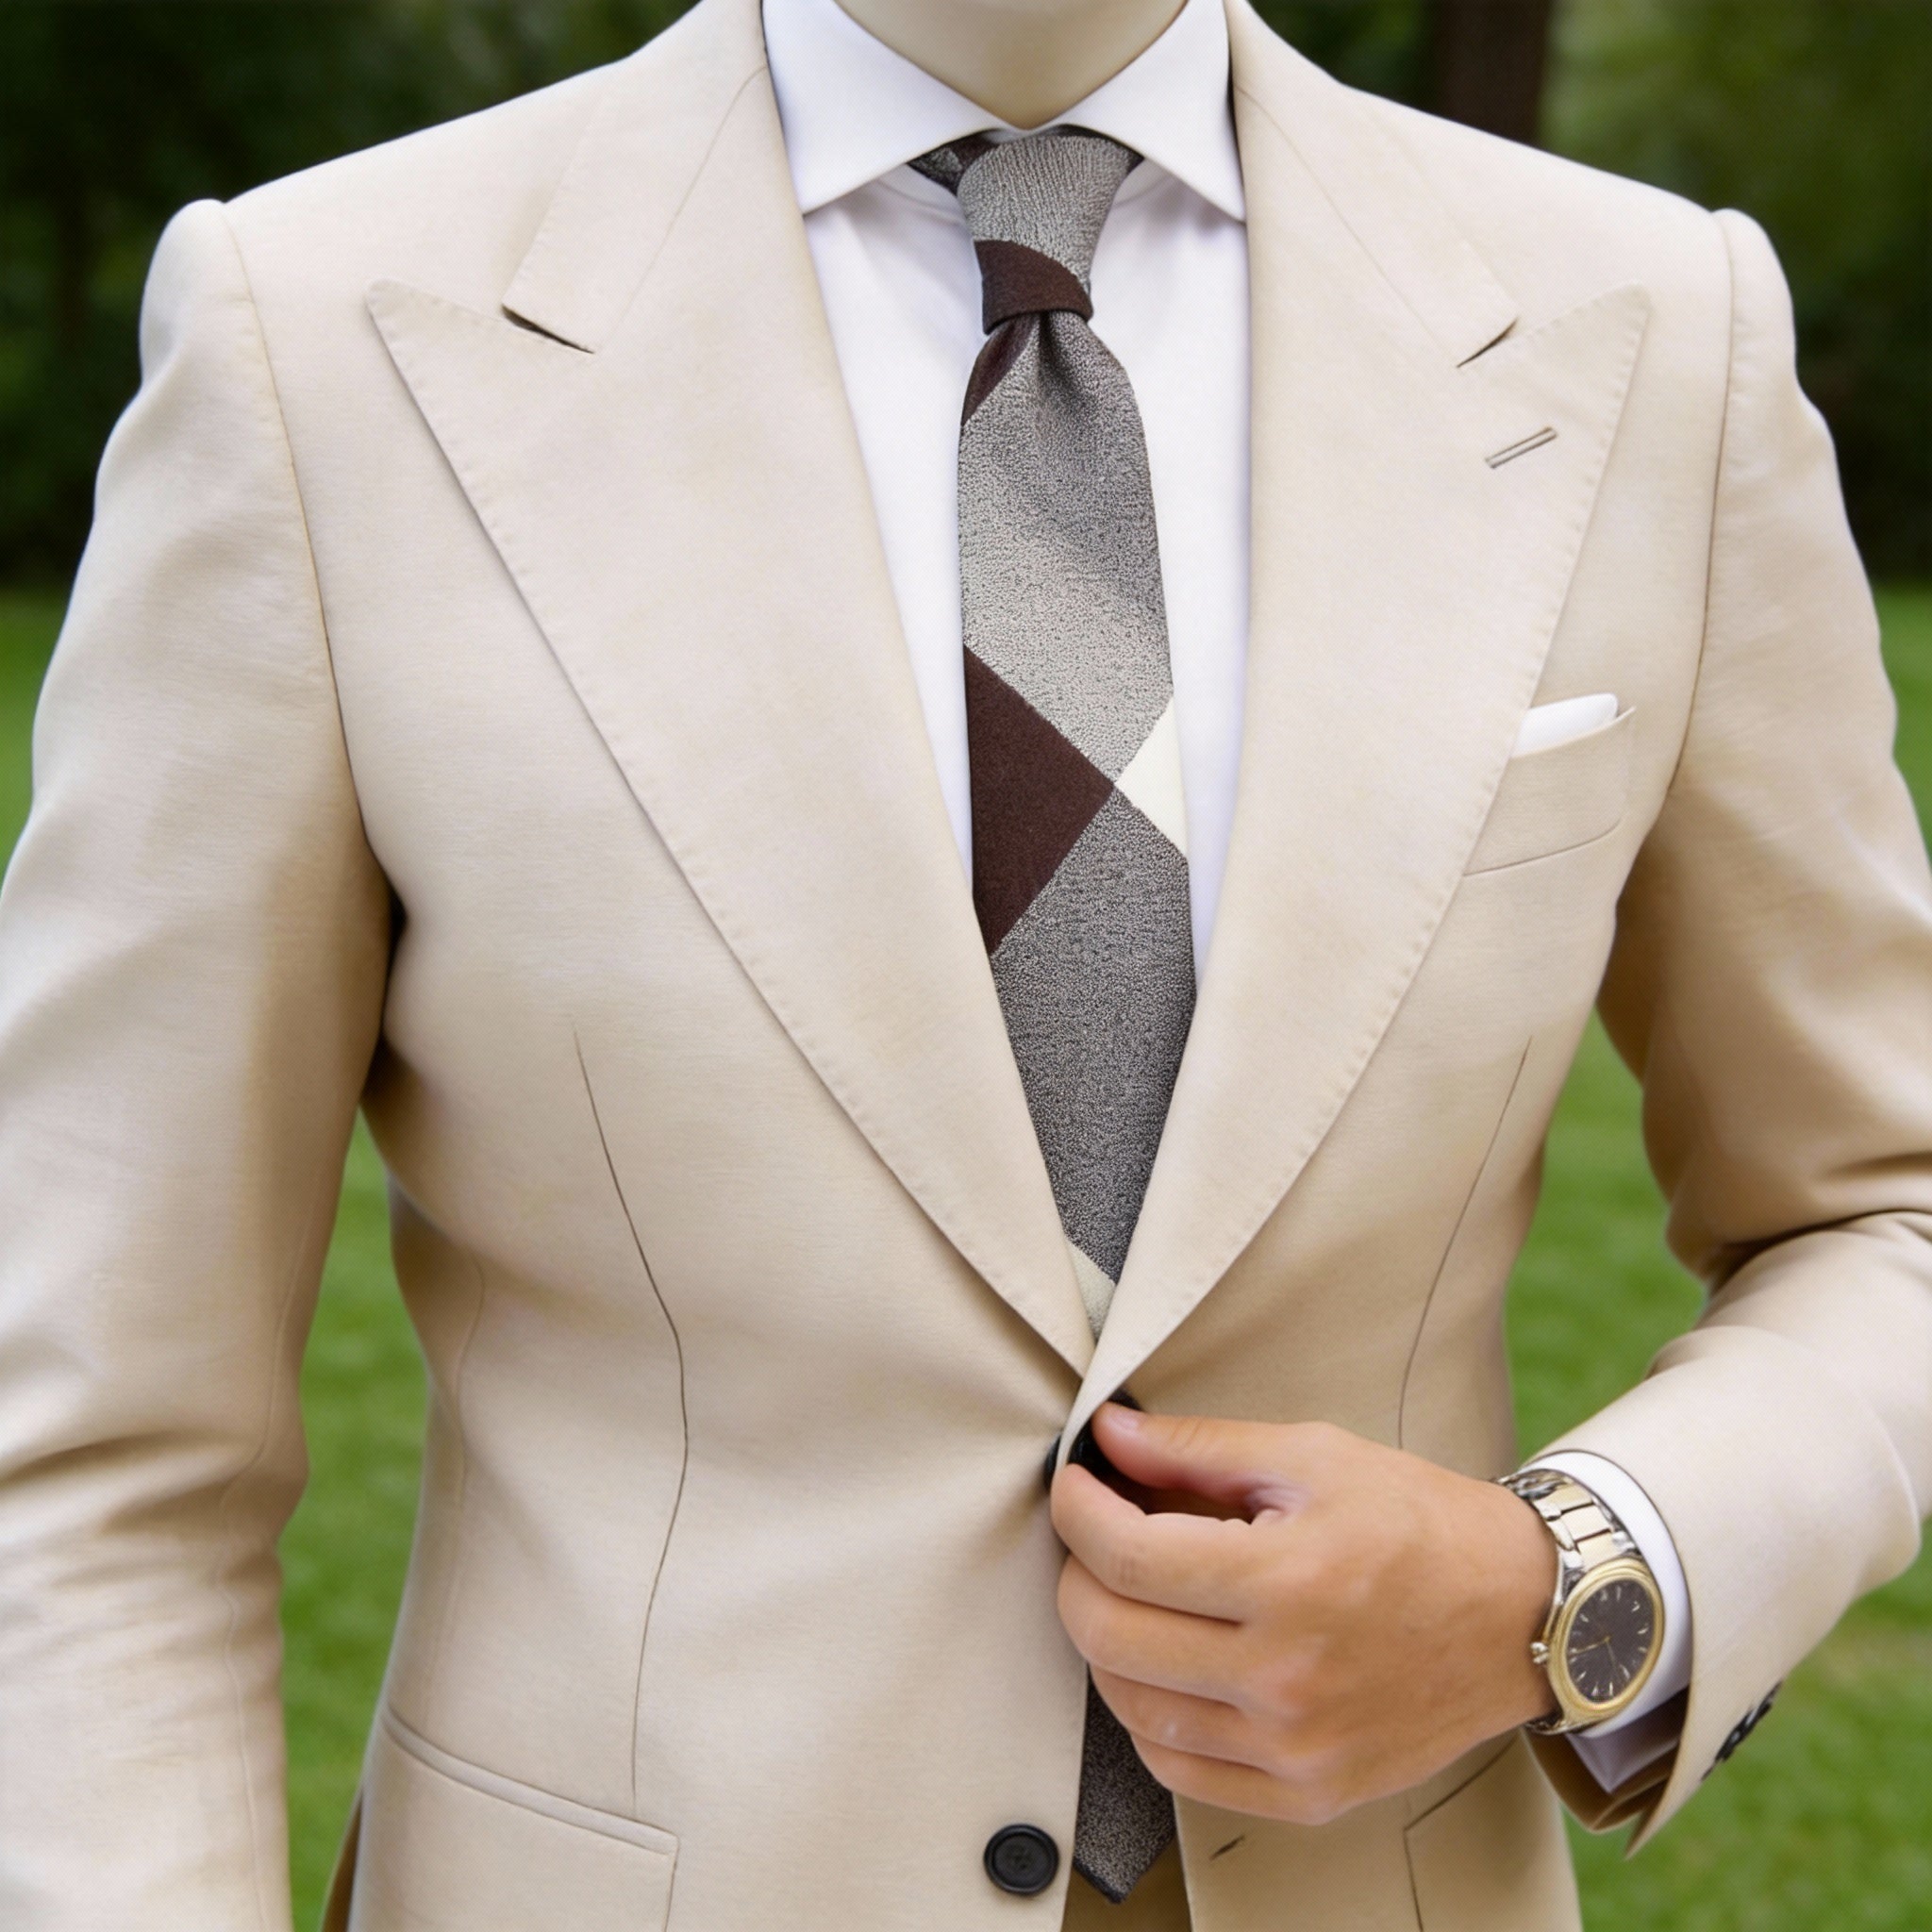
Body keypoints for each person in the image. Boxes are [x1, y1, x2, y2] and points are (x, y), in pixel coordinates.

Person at [0, 0, 1926, 1925]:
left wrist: (1564, 1583)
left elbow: (1884, 1208)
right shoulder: (317, 338)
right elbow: (94, 1450)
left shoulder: (1655, 329)